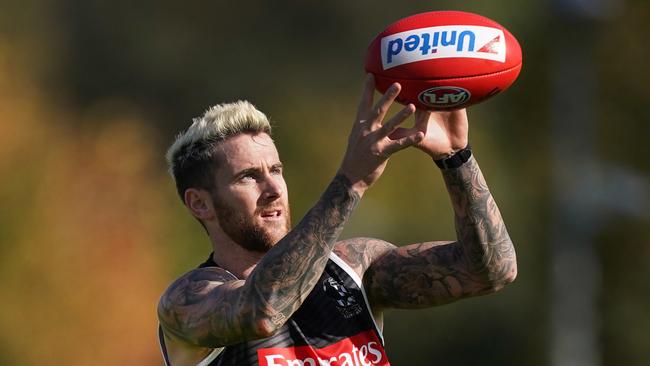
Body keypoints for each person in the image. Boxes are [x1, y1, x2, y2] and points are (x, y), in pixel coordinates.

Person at [157, 75, 517, 366]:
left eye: (276, 170)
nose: (273, 189)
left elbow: (490, 270)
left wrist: (457, 158)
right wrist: (351, 180)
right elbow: (264, 310)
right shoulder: (187, 302)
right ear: (199, 203)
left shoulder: (353, 267)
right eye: (248, 176)